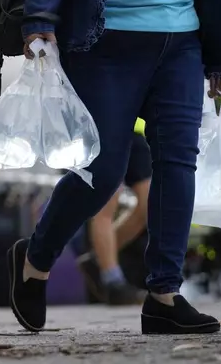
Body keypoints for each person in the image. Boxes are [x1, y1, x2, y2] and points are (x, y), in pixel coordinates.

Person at [7, 0, 221, 335]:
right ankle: (36, 257)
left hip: (182, 39)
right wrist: (39, 17)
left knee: (179, 159)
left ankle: (164, 294)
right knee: (102, 170)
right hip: (104, 36)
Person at [70, 118, 151, 305]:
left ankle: (97, 258)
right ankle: (113, 282)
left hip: (132, 128)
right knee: (106, 200)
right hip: (99, 125)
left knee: (149, 204)